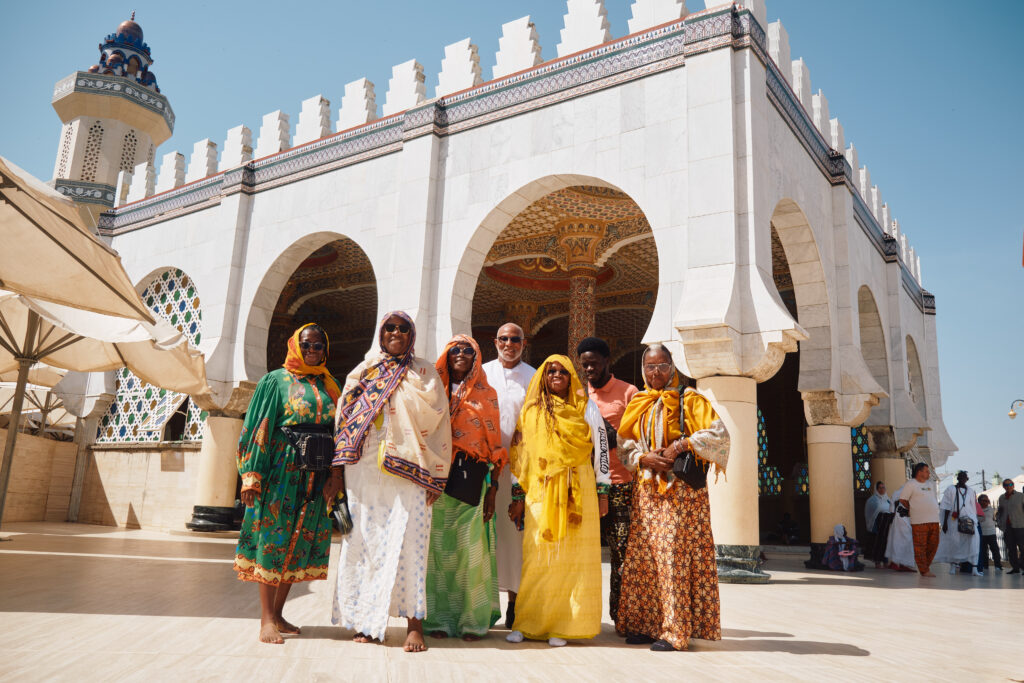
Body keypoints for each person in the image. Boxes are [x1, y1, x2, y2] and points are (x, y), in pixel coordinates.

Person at [327, 312, 452, 652]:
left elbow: (441, 426)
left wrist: (434, 475)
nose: (396, 333)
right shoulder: (362, 371)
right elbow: (343, 423)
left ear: (412, 334)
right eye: (390, 328)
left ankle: (414, 625)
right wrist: (336, 473)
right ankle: (366, 620)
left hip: (412, 469)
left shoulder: (425, 374)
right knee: (363, 541)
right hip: (363, 468)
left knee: (412, 543)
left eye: (403, 328)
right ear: (380, 334)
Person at [616, 344, 730, 652]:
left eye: (662, 366)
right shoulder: (638, 401)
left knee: (672, 559)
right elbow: (624, 444)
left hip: (680, 494)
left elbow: (719, 436)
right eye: (650, 367)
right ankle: (643, 623)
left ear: (673, 367)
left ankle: (673, 630)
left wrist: (681, 446)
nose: (656, 373)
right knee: (644, 558)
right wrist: (643, 458)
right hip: (647, 492)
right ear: (643, 369)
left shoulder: (690, 399)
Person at [234, 323, 342, 644]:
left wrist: (336, 476)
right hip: (282, 473)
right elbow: (258, 425)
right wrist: (252, 475)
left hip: (317, 476)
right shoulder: (275, 381)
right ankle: (266, 619)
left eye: (319, 345)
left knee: (299, 542)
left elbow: (340, 432)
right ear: (295, 345)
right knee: (273, 539)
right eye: (307, 345)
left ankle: (279, 613)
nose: (313, 350)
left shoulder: (330, 384)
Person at [505, 355, 610, 647]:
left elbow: (601, 449)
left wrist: (603, 491)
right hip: (539, 491)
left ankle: (562, 626)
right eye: (550, 371)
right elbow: (520, 453)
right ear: (543, 376)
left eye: (563, 371)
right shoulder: (531, 411)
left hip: (578, 490)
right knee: (538, 558)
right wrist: (517, 493)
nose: (556, 375)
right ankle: (527, 623)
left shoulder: (585, 406)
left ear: (571, 377)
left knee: (570, 561)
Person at [424, 334, 506, 640]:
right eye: (455, 349)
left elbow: (496, 446)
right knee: (437, 553)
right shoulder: (431, 392)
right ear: (446, 355)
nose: (461, 354)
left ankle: (473, 621)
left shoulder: (487, 395)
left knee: (470, 551)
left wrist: (494, 490)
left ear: (476, 358)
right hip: (435, 479)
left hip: (473, 478)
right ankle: (438, 621)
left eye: (467, 350)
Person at [576, 335, 639, 629]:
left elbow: (639, 436)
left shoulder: (628, 393)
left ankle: (623, 616)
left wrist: (609, 437)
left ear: (607, 362)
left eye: (594, 364)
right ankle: (582, 616)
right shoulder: (578, 395)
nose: (589, 370)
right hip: (585, 487)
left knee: (622, 554)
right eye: (584, 365)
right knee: (582, 554)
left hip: (620, 485)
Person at [481, 322, 535, 628]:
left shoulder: (534, 376)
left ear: (523, 343)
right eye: (504, 338)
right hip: (485, 469)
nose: (509, 344)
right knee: (484, 538)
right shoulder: (483, 372)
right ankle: (483, 606)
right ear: (495, 341)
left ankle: (515, 605)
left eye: (515, 339)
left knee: (516, 538)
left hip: (519, 471)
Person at [898, 462, 941, 577]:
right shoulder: (911, 484)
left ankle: (925, 565)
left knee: (934, 544)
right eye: (926, 471)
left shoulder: (930, 484)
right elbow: (903, 500)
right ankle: (924, 570)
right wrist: (913, 508)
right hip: (919, 521)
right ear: (919, 472)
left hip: (934, 519)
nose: (928, 473)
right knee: (920, 546)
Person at [934, 470, 981, 575]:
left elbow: (973, 507)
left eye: (965, 477)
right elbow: (945, 506)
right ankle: (953, 566)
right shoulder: (950, 489)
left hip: (969, 520)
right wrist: (944, 523)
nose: (962, 479)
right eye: (960, 477)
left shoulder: (971, 491)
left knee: (974, 542)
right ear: (958, 478)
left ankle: (974, 568)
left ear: (967, 479)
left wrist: (975, 520)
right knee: (955, 543)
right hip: (954, 521)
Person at [886, 482, 916, 572]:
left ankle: (903, 563)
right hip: (900, 519)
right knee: (899, 540)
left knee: (907, 541)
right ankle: (895, 563)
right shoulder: (904, 490)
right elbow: (893, 501)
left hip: (908, 519)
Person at [996, 478, 1024, 574]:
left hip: (1020, 525)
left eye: (1010, 485)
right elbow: (999, 512)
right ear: (1003, 487)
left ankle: (1022, 566)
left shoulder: (1021, 496)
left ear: (1013, 485)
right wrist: (999, 523)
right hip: (1007, 527)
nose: (1008, 487)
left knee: (1022, 547)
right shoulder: (1001, 498)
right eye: (1006, 485)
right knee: (1011, 549)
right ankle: (1015, 568)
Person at [863, 481, 891, 568]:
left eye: (883, 487)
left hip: (886, 525)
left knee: (886, 543)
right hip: (878, 526)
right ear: (876, 489)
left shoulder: (888, 499)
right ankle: (877, 562)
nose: (882, 489)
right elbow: (870, 514)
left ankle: (885, 561)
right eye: (880, 488)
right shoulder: (872, 500)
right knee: (877, 543)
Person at [976, 494, 1002, 572]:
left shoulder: (992, 509)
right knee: (983, 551)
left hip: (991, 533)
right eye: (984, 500)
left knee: (995, 550)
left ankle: (998, 565)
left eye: (987, 500)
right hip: (982, 533)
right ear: (979, 501)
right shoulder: (976, 510)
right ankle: (985, 565)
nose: (986, 502)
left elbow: (996, 517)